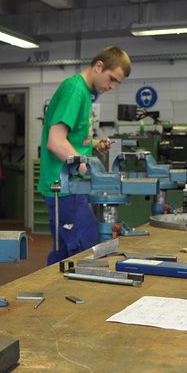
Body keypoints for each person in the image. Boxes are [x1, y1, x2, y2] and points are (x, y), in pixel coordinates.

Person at [38, 46, 131, 265]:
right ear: (99, 66)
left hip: (70, 185)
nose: (112, 86)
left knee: (66, 252)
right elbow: (56, 142)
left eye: (117, 83)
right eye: (112, 79)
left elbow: (71, 138)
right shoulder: (75, 90)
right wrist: (91, 171)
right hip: (64, 186)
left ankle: (55, 293)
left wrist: (95, 145)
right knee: (85, 251)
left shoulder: (86, 93)